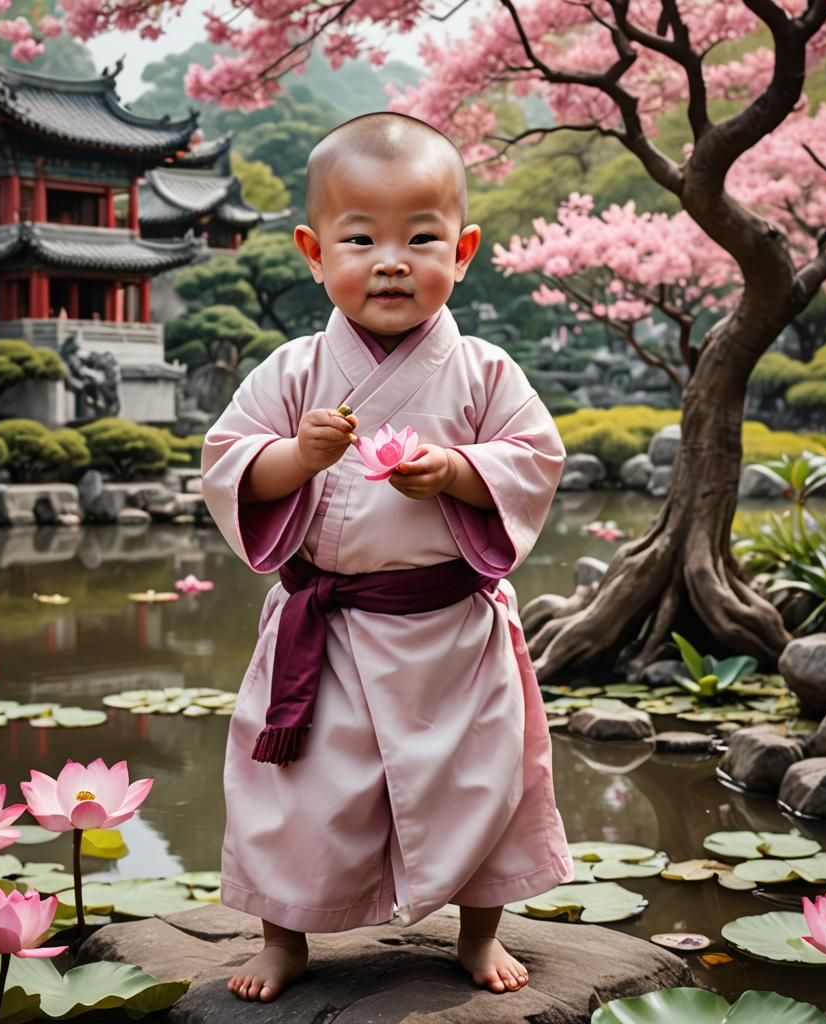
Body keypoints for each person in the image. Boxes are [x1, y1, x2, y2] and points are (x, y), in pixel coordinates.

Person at [201, 111, 573, 1005]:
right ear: (312, 250)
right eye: (360, 238)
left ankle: (479, 936)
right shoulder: (291, 371)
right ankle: (284, 940)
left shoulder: (485, 371)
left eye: (421, 238)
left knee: (484, 783)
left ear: (465, 247)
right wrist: (299, 456)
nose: (392, 260)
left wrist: (458, 471)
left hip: (451, 631)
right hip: (323, 634)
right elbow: (228, 465)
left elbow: (535, 459)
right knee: (292, 795)